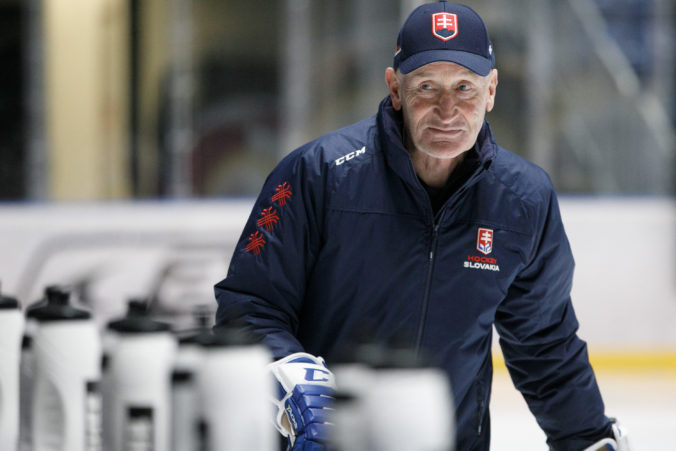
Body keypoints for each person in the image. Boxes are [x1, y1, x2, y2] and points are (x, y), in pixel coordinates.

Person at [214, 1, 630, 450]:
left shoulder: (524, 200)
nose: (447, 110)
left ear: (491, 90)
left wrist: (589, 439)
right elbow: (250, 305)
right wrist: (290, 374)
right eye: (427, 86)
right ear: (395, 89)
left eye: (465, 88)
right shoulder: (317, 174)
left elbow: (544, 343)